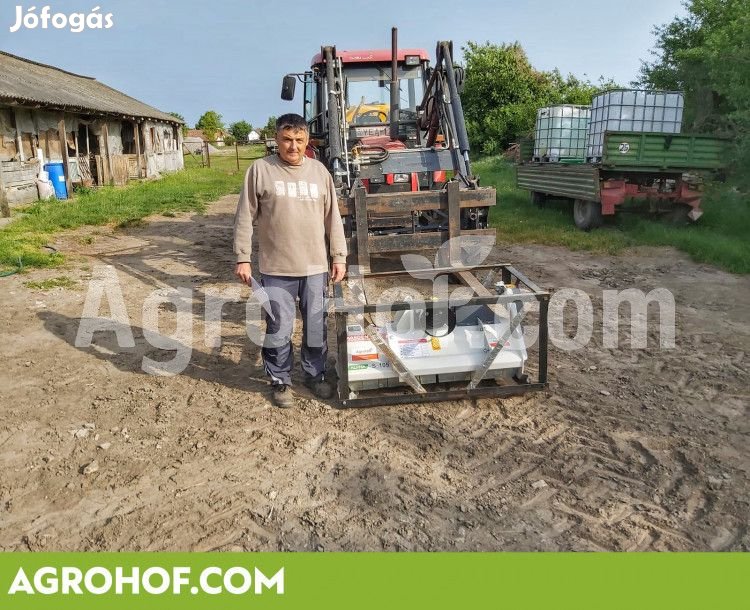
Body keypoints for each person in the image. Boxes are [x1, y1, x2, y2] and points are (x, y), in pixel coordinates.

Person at [234, 113, 347, 407]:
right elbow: (244, 217)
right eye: (287, 139)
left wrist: (339, 256)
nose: (293, 146)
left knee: (316, 325)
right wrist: (243, 258)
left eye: (299, 140)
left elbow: (332, 219)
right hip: (276, 268)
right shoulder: (260, 171)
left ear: (307, 140)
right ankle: (280, 379)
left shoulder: (320, 173)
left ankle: (315, 374)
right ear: (276, 139)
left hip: (315, 266)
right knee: (279, 327)